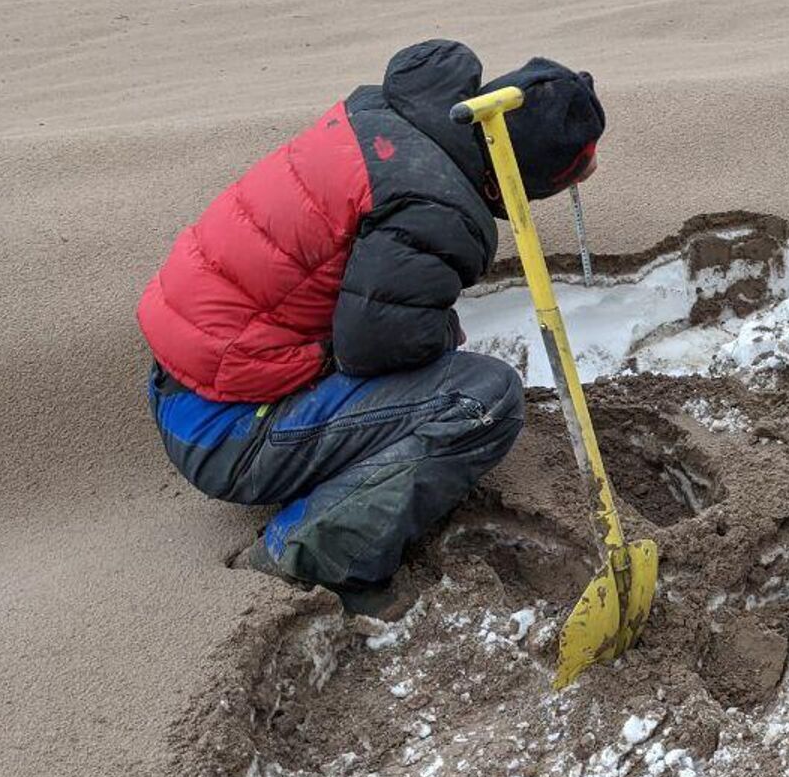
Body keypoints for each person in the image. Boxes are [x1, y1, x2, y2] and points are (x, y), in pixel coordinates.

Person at [136, 39, 606, 615]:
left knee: (427, 356)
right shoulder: (437, 205)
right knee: (484, 399)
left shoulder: (387, 114)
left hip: (186, 379)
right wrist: (439, 336)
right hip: (224, 431)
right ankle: (301, 552)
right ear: (514, 182)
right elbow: (373, 344)